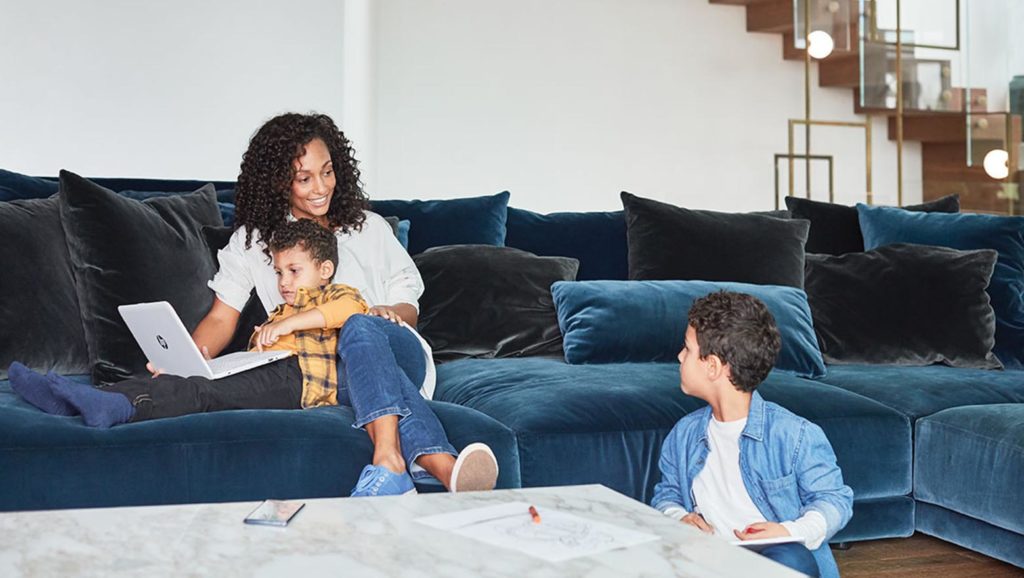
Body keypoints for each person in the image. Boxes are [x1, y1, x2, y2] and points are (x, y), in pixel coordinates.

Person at [192, 112, 497, 496]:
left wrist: (387, 314)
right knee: (345, 359)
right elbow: (222, 317)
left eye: (328, 172)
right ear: (277, 182)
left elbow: (409, 306)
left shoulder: (368, 227)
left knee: (357, 325)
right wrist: (185, 363)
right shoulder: (254, 242)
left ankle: (389, 461)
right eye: (304, 178)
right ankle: (439, 465)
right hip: (324, 368)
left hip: (394, 347)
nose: (321, 187)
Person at [650, 291, 853, 578]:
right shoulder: (684, 434)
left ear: (713, 367)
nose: (679, 356)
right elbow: (666, 494)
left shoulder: (794, 435)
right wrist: (678, 516)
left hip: (775, 561)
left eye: (687, 349)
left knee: (789, 554)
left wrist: (787, 531)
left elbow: (835, 501)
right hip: (713, 561)